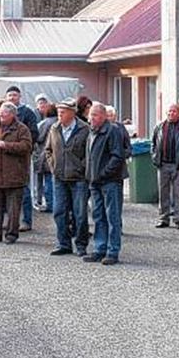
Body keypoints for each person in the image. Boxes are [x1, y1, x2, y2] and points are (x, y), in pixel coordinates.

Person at [0, 102, 33, 244]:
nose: (1, 115)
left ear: (12, 114)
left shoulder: (22, 129)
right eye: (0, 112)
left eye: (5, 113)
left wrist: (7, 146)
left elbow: (27, 146)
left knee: (13, 209)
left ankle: (11, 234)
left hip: (15, 176)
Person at [44, 99, 90, 256]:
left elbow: (89, 154)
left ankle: (81, 244)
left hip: (78, 178)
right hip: (59, 177)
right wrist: (53, 166)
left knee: (80, 213)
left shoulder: (84, 129)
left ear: (72, 113)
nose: (59, 115)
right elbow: (48, 150)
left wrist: (82, 168)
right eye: (58, 112)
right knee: (59, 212)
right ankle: (63, 244)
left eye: (62, 112)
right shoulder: (54, 128)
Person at [83, 103, 127, 265]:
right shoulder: (91, 131)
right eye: (90, 115)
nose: (90, 118)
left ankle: (112, 251)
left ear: (102, 116)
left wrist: (103, 174)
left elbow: (118, 156)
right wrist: (90, 174)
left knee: (112, 217)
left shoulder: (112, 131)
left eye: (94, 115)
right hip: (95, 182)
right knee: (98, 216)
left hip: (110, 181)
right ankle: (99, 248)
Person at [151, 104, 179, 229]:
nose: (171, 114)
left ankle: (178, 219)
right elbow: (153, 144)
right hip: (163, 164)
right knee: (163, 193)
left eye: (174, 111)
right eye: (169, 111)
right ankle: (163, 218)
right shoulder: (159, 127)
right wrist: (154, 157)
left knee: (178, 193)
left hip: (177, 165)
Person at [5, 86, 39, 232]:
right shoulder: (2, 111)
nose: (12, 98)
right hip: (5, 157)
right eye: (10, 95)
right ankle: (11, 221)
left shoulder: (27, 112)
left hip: (22, 156)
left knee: (24, 188)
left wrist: (24, 148)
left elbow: (34, 134)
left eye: (15, 95)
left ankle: (26, 220)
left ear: (20, 97)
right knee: (6, 189)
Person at [34, 103, 58, 213]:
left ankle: (50, 204)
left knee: (47, 181)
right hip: (57, 156)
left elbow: (38, 138)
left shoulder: (44, 123)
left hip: (45, 155)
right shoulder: (60, 122)